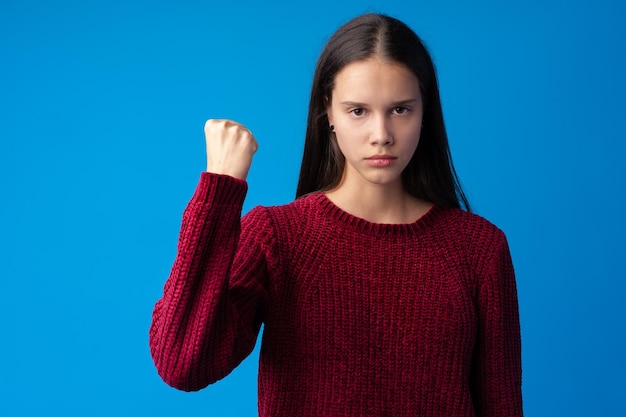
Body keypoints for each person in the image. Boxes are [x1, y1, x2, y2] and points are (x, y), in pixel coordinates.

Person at [149, 13, 523, 417]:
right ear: (328, 112)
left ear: (425, 112)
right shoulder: (278, 238)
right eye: (358, 111)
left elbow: (502, 406)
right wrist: (219, 188)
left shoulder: (479, 249)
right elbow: (182, 363)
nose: (381, 133)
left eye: (400, 109)